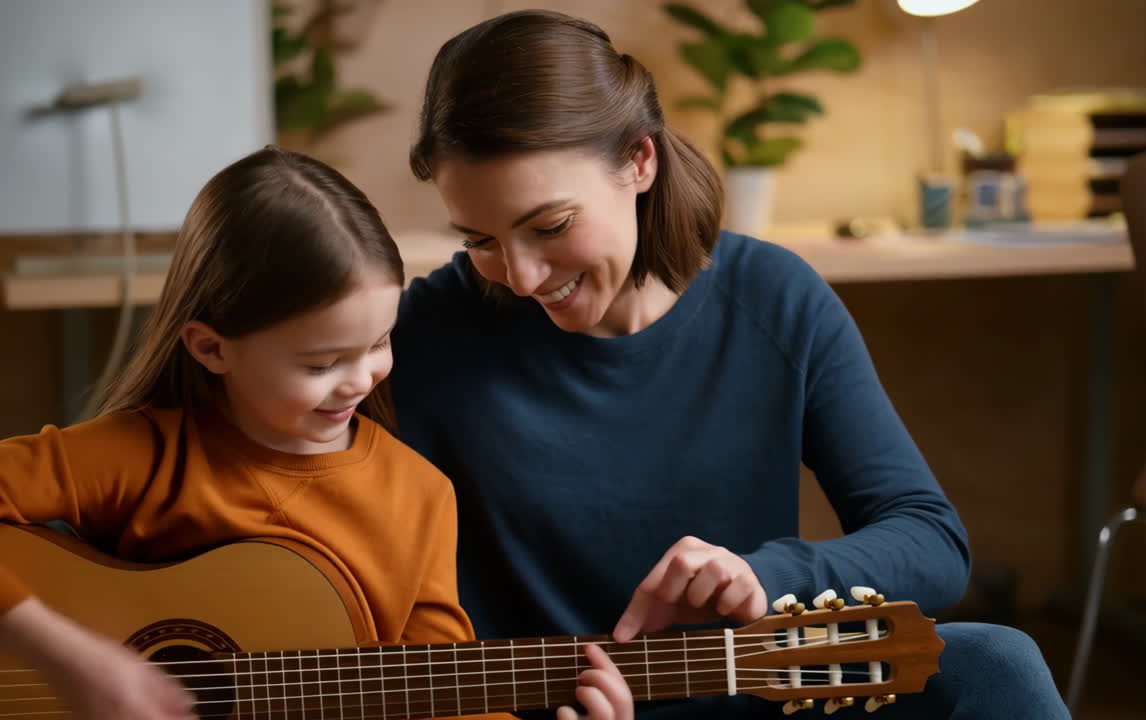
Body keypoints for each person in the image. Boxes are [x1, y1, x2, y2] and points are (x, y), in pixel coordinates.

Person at [391, 9, 1070, 719]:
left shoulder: (772, 297)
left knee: (995, 661)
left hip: (752, 693)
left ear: (639, 161)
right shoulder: (428, 332)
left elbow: (929, 538)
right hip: (548, 707)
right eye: (480, 240)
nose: (522, 277)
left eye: (550, 226)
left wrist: (762, 574)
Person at [0, 146, 630, 720]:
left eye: (378, 343)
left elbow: (440, 697)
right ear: (211, 347)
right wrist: (62, 658)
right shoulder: (148, 454)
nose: (360, 380)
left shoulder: (419, 496)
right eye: (321, 362)